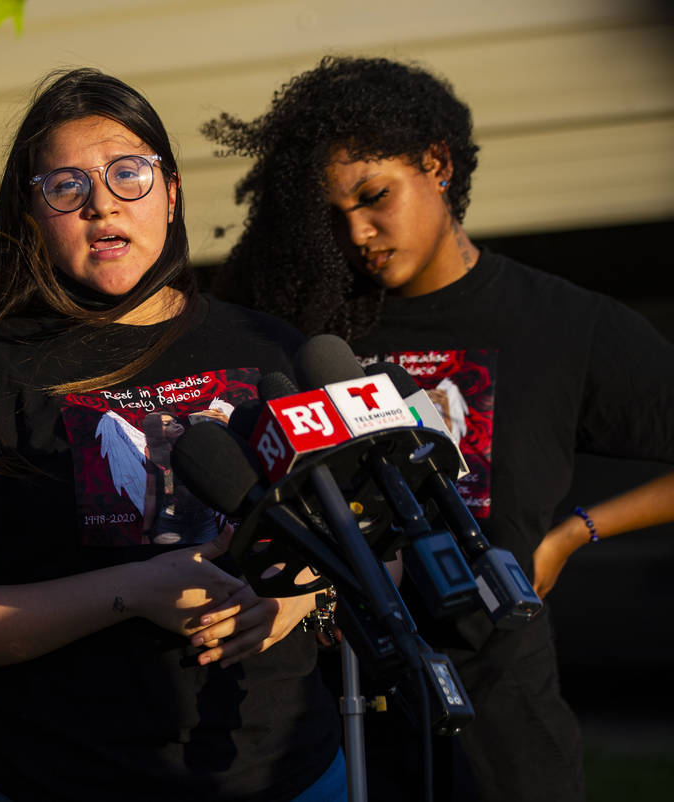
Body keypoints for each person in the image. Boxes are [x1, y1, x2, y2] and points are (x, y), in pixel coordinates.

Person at [0, 67, 345, 802]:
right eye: (67, 186)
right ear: (33, 215)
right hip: (66, 778)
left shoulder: (271, 350)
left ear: (171, 192)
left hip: (289, 775)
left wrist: (288, 605)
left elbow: (345, 540)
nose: (102, 205)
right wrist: (136, 590)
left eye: (128, 175)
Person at [203, 55, 674, 801]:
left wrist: (573, 531)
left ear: (438, 164)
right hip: (337, 726)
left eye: (374, 196)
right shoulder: (306, 329)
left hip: (502, 735)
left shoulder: (563, 324)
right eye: (333, 214)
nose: (357, 231)